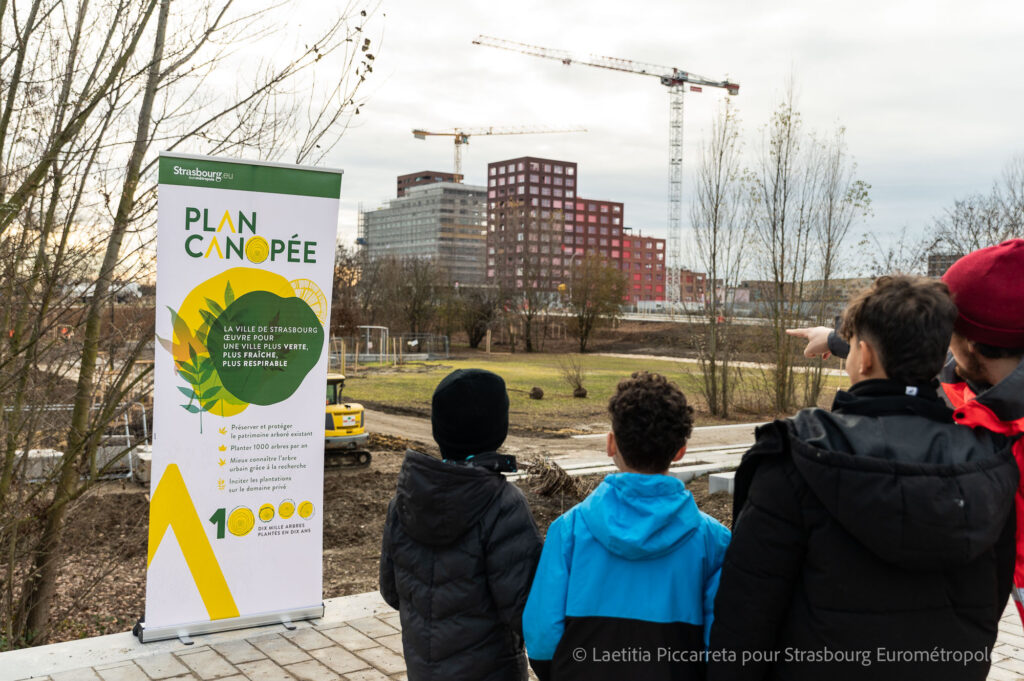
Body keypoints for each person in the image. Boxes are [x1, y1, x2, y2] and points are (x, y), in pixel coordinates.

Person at [711, 275, 1017, 681]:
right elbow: (991, 600)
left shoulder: (797, 457)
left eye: (851, 344)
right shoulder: (989, 464)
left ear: (865, 356)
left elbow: (744, 617)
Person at [787, 238, 1024, 618]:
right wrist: (840, 341)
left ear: (972, 344)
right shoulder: (979, 388)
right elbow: (913, 361)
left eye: (945, 332)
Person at [523, 371, 730, 681]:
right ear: (680, 451)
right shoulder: (714, 542)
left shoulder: (568, 532)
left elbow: (541, 639)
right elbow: (722, 643)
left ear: (611, 444)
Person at [379, 368, 543, 681]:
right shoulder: (503, 504)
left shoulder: (405, 499)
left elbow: (391, 592)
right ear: (498, 429)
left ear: (439, 430)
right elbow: (527, 611)